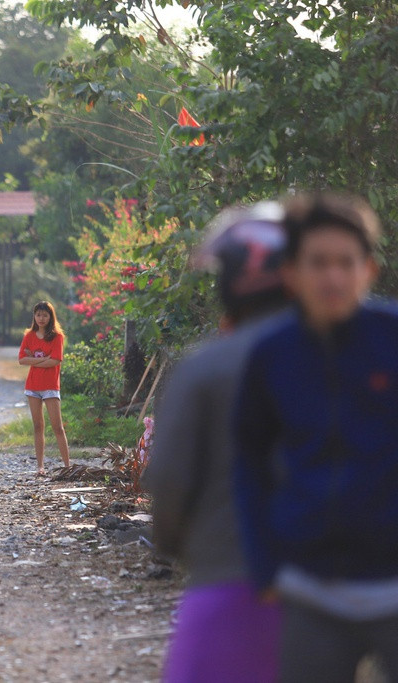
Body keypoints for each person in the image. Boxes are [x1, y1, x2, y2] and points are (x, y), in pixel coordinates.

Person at [233, 193, 398, 682]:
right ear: (291, 273)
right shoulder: (271, 355)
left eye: (346, 263)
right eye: (319, 263)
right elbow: (249, 462)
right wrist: (264, 566)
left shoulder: (391, 339)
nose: (333, 277)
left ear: (368, 270)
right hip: (309, 590)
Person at [144, 202, 289, 682]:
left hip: (230, 583)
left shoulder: (205, 367)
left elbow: (169, 478)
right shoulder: (345, 357)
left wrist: (174, 546)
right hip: (334, 594)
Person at [17, 301, 70, 476]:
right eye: (38, 315)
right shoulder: (29, 336)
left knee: (57, 427)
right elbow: (21, 360)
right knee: (38, 426)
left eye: (45, 315)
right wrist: (43, 359)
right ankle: (40, 467)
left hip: (50, 387)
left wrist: (33, 359)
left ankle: (67, 467)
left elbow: (55, 361)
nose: (41, 318)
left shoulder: (57, 337)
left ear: (50, 317)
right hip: (32, 386)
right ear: (34, 316)